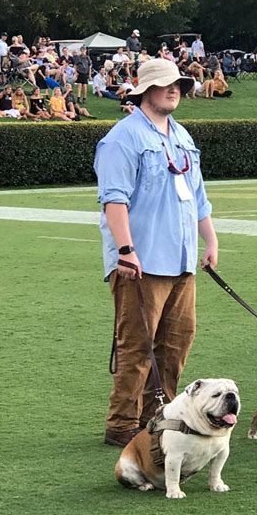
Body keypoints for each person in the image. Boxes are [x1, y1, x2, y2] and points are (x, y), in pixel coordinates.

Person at [94, 58, 219, 447]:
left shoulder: (181, 135)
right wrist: (125, 250)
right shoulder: (122, 138)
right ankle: (121, 425)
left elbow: (198, 198)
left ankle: (155, 418)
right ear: (145, 90)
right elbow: (113, 200)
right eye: (166, 84)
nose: (174, 90)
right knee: (136, 347)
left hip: (182, 260)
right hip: (141, 262)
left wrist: (210, 241)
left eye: (179, 84)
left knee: (176, 344)